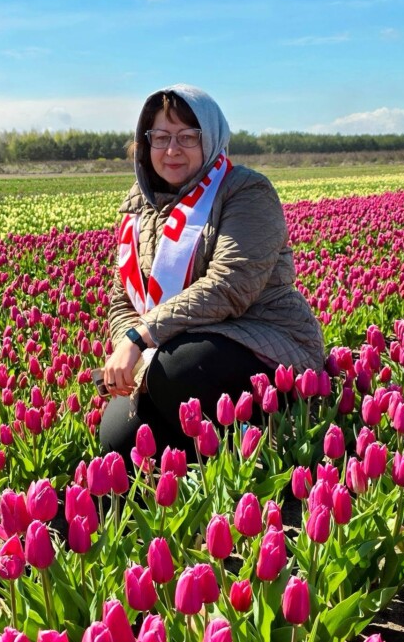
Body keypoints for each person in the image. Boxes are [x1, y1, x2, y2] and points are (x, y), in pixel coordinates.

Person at [99, 84, 325, 461]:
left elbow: (230, 285)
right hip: (172, 348)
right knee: (119, 439)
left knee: (177, 371)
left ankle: (269, 444)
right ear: (145, 144)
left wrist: (142, 337)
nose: (172, 149)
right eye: (161, 137)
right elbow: (122, 297)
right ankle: (200, 465)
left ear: (211, 138)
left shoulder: (245, 191)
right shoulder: (139, 206)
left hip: (260, 336)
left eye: (188, 137)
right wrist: (130, 348)